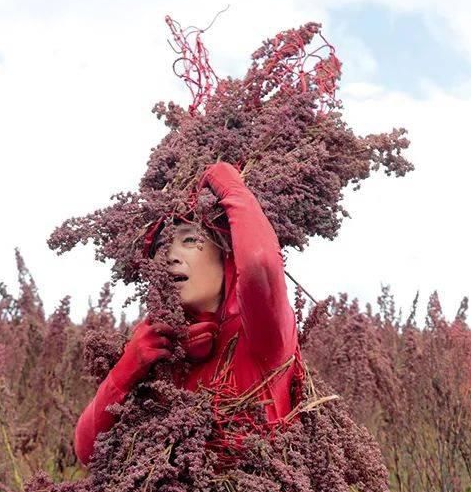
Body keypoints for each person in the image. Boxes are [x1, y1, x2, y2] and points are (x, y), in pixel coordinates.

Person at [74, 162, 304, 466]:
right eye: (161, 246)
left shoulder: (261, 335)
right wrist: (126, 370)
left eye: (190, 240)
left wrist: (231, 188)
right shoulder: (156, 353)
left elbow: (260, 261)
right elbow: (88, 452)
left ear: (227, 256)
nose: (170, 255)